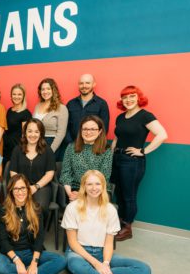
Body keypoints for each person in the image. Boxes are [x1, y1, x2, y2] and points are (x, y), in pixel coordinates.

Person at [61, 170, 156, 274]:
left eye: (97, 184)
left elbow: (109, 243)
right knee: (76, 266)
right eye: (89, 184)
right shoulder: (72, 208)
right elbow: (72, 243)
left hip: (102, 253)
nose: (94, 188)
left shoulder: (110, 210)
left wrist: (105, 263)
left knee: (144, 270)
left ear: (103, 186)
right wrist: (97, 264)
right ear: (83, 186)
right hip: (78, 253)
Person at [0, 174, 66, 274]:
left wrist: (34, 263)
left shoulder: (36, 208)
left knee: (61, 260)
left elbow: (39, 238)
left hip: (30, 252)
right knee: (0, 268)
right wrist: (17, 261)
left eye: (23, 188)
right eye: (16, 189)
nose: (20, 192)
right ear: (11, 191)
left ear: (28, 189)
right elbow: (3, 240)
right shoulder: (3, 210)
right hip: (9, 253)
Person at [111, 86, 167, 241]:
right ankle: (120, 223)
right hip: (118, 158)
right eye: (125, 97)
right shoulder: (120, 118)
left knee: (129, 196)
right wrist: (111, 153)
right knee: (119, 194)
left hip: (132, 162)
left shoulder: (145, 116)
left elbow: (162, 135)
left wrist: (143, 151)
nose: (128, 100)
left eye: (132, 96)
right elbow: (117, 138)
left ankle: (127, 228)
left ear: (138, 98)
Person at [9, 119, 55, 222]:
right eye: (29, 131)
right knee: (16, 205)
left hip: (41, 186)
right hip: (20, 186)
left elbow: (50, 174)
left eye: (36, 131)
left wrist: (36, 187)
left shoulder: (48, 150)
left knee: (40, 206)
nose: (32, 134)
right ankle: (19, 231)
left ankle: (37, 231)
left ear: (41, 134)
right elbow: (13, 172)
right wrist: (22, 187)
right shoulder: (17, 149)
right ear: (25, 133)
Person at [61, 115, 113, 202]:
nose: (88, 132)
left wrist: (82, 196)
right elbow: (65, 174)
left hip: (98, 190)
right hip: (75, 189)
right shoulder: (71, 147)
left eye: (93, 129)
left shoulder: (106, 150)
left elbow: (104, 177)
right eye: (85, 129)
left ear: (100, 131)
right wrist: (70, 194)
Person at [66, 74, 109, 144]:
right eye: (81, 83)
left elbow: (104, 128)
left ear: (94, 84)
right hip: (73, 145)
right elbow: (66, 126)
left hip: (93, 145)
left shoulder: (101, 104)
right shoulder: (71, 104)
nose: (84, 86)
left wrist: (96, 144)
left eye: (87, 83)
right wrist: (70, 143)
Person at [33, 78, 68, 161]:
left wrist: (51, 151)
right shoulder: (37, 106)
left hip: (52, 143)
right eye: (43, 89)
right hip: (36, 142)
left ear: (53, 90)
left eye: (48, 89)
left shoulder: (62, 108)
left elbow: (61, 133)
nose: (45, 92)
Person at [3, 84, 32, 165]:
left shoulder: (26, 114)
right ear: (11, 96)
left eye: (19, 94)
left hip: (16, 148)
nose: (16, 96)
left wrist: (21, 151)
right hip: (6, 147)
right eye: (14, 94)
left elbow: (25, 135)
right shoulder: (9, 110)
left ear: (23, 96)